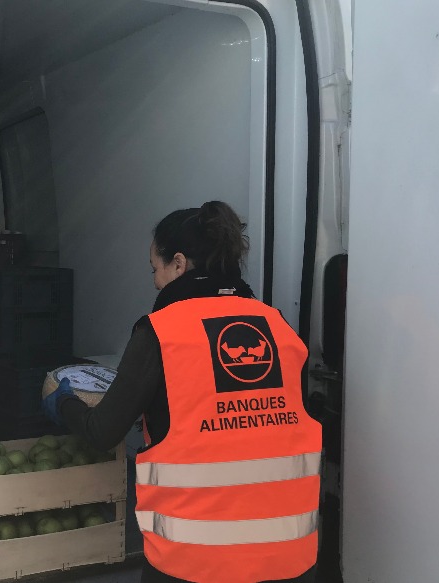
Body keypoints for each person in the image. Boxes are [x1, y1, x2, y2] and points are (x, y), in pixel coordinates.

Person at [43, 201, 322, 583]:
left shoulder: (161, 332)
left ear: (178, 264)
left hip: (195, 560)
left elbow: (102, 431)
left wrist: (61, 402)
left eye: (154, 269)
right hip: (289, 557)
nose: (155, 282)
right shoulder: (278, 327)